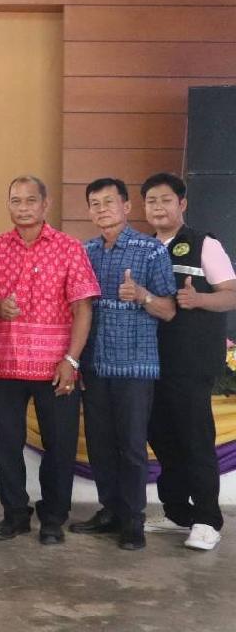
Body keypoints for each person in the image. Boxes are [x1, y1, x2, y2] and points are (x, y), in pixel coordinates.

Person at [0, 175, 99, 545]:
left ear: (46, 205)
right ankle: (14, 515)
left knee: (59, 445)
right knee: (7, 445)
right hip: (7, 365)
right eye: (16, 200)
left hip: (56, 368)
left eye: (31, 200)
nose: (23, 207)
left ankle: (53, 518)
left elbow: (83, 308)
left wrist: (71, 361)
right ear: (8, 205)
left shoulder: (69, 248)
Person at [70, 178, 176, 551]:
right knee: (100, 444)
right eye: (95, 203)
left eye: (109, 202)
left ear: (126, 207)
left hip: (135, 367)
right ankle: (110, 511)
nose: (102, 209)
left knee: (131, 447)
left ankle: (133, 521)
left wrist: (143, 295)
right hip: (95, 365)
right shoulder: (84, 252)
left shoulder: (151, 251)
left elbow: (169, 310)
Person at [141, 172, 236, 551]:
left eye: (166, 200)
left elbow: (231, 294)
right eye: (151, 201)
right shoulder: (145, 247)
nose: (158, 207)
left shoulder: (204, 245)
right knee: (162, 437)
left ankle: (208, 520)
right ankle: (178, 512)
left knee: (194, 439)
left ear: (182, 204)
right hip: (152, 362)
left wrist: (200, 300)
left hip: (191, 362)